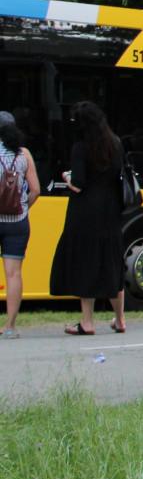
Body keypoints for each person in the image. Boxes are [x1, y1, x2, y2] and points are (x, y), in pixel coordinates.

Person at [49, 101, 129, 335]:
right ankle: (120, 320)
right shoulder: (116, 143)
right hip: (111, 210)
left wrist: (67, 177)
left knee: (87, 263)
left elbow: (79, 183)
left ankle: (87, 322)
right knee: (112, 264)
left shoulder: (81, 147)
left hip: (85, 212)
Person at [0, 110, 41, 339]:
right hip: (17, 223)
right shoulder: (23, 154)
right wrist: (23, 208)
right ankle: (10, 327)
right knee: (13, 274)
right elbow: (35, 190)